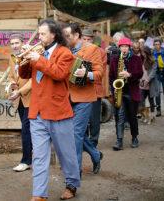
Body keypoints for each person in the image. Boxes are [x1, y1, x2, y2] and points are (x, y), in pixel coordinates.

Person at [19, 19, 80, 200]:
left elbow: (59, 73)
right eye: (39, 33)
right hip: (36, 113)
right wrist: (24, 59)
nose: (40, 37)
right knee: (38, 156)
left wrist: (39, 59)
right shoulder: (38, 52)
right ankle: (39, 194)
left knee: (66, 154)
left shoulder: (65, 53)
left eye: (43, 34)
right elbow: (24, 75)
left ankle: (71, 184)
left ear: (54, 34)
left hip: (58, 112)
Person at [63, 23, 104, 176]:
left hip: (84, 97)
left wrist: (87, 75)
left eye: (67, 35)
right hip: (66, 97)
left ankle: (75, 173)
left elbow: (99, 72)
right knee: (72, 133)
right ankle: (95, 155)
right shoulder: (64, 49)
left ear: (76, 35)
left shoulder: (92, 49)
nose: (64, 38)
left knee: (75, 134)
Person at [109, 37, 143, 150]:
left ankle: (134, 137)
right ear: (119, 48)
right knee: (120, 116)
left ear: (129, 47)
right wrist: (113, 87)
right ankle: (119, 140)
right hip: (119, 91)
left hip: (131, 90)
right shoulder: (115, 59)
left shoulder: (136, 59)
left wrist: (130, 75)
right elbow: (111, 76)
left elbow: (140, 73)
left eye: (126, 47)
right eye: (122, 47)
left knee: (132, 116)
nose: (124, 49)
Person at [7, 32, 33, 172]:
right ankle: (37, 156)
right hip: (19, 100)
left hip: (31, 98)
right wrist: (11, 84)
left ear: (23, 43)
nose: (15, 46)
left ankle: (26, 161)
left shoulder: (30, 56)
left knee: (26, 130)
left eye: (17, 43)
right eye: (12, 43)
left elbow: (33, 80)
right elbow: (12, 76)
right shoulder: (12, 58)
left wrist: (20, 91)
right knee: (29, 130)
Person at [81, 28, 107, 148]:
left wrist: (85, 73)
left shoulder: (101, 52)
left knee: (94, 118)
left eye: (89, 40)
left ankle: (94, 142)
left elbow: (100, 72)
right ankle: (84, 141)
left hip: (95, 88)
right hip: (81, 88)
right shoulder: (78, 50)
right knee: (83, 118)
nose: (86, 41)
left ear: (93, 40)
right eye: (84, 39)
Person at [140, 46, 158, 122]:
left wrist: (148, 79)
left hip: (150, 83)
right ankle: (144, 115)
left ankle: (152, 114)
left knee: (151, 100)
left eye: (144, 52)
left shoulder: (153, 60)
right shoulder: (141, 59)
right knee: (141, 100)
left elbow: (153, 72)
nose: (143, 54)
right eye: (142, 52)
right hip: (141, 82)